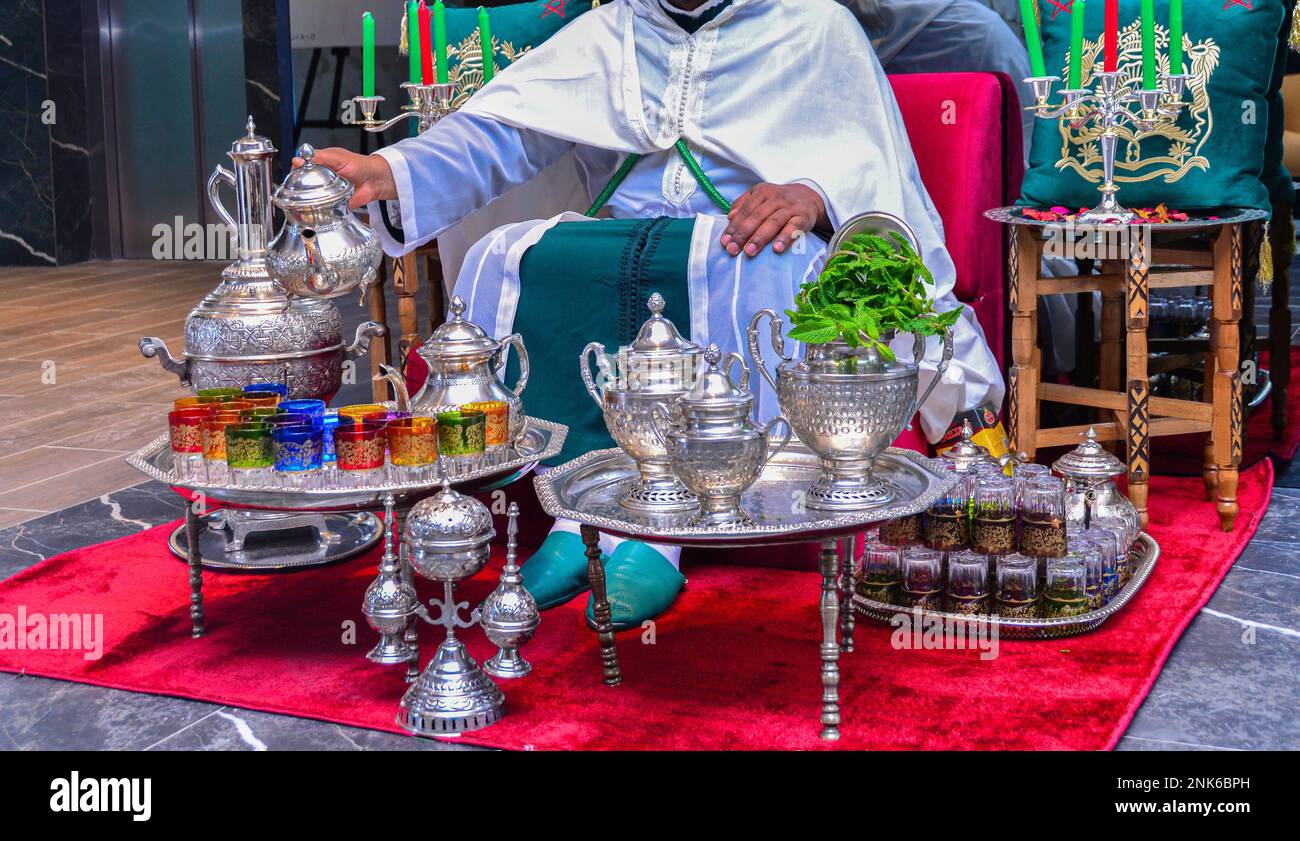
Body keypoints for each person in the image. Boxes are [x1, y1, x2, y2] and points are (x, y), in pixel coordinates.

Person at [308, 0, 1003, 629]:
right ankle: (576, 514)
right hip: (624, 242)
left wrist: (812, 193)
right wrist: (393, 171)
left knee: (759, 266)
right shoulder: (614, 31)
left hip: (753, 245)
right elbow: (503, 136)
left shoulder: (815, 25)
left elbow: (867, 165)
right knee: (515, 254)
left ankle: (659, 533)